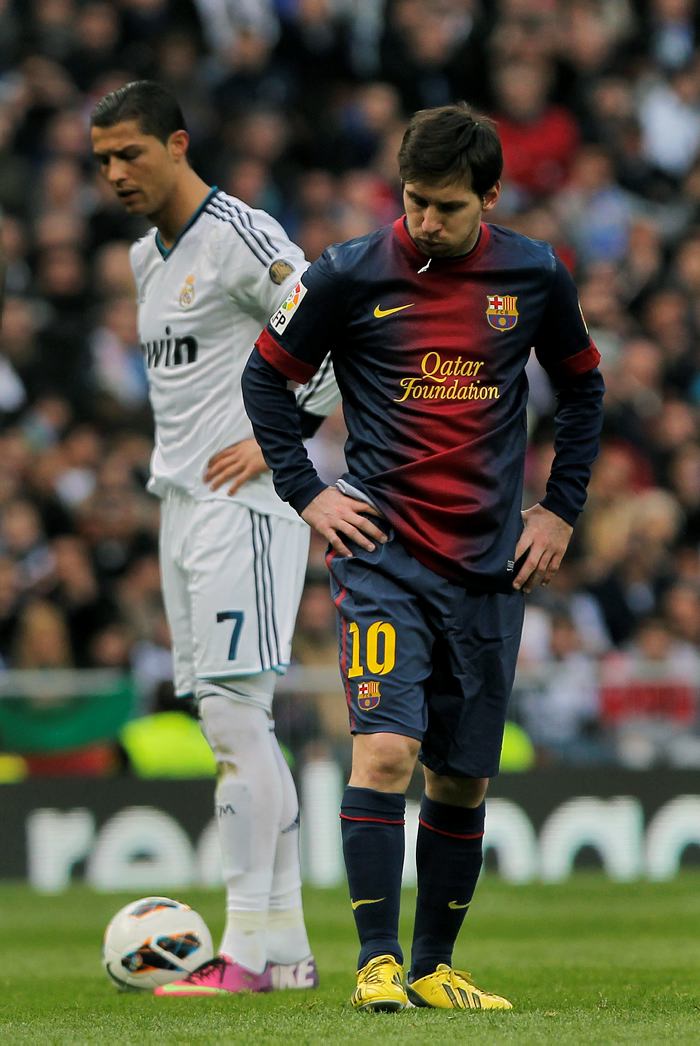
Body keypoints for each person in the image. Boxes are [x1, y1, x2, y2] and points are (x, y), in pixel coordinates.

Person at [242, 102, 605, 1011]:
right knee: (385, 751)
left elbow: (583, 388)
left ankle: (436, 968)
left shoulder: (533, 273)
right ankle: (377, 962)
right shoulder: (345, 274)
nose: (426, 221)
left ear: (491, 195)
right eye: (414, 201)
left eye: (447, 206)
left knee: (464, 775)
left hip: (490, 565)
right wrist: (309, 493)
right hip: (383, 557)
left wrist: (560, 511)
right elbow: (266, 376)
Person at [90, 80, 338, 997]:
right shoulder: (143, 258)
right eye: (102, 161)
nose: (116, 174)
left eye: (130, 154)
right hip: (182, 507)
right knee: (229, 720)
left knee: (237, 717)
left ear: (178, 144)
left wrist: (279, 441)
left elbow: (334, 338)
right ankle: (286, 952)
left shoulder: (241, 233)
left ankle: (246, 953)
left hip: (248, 505)